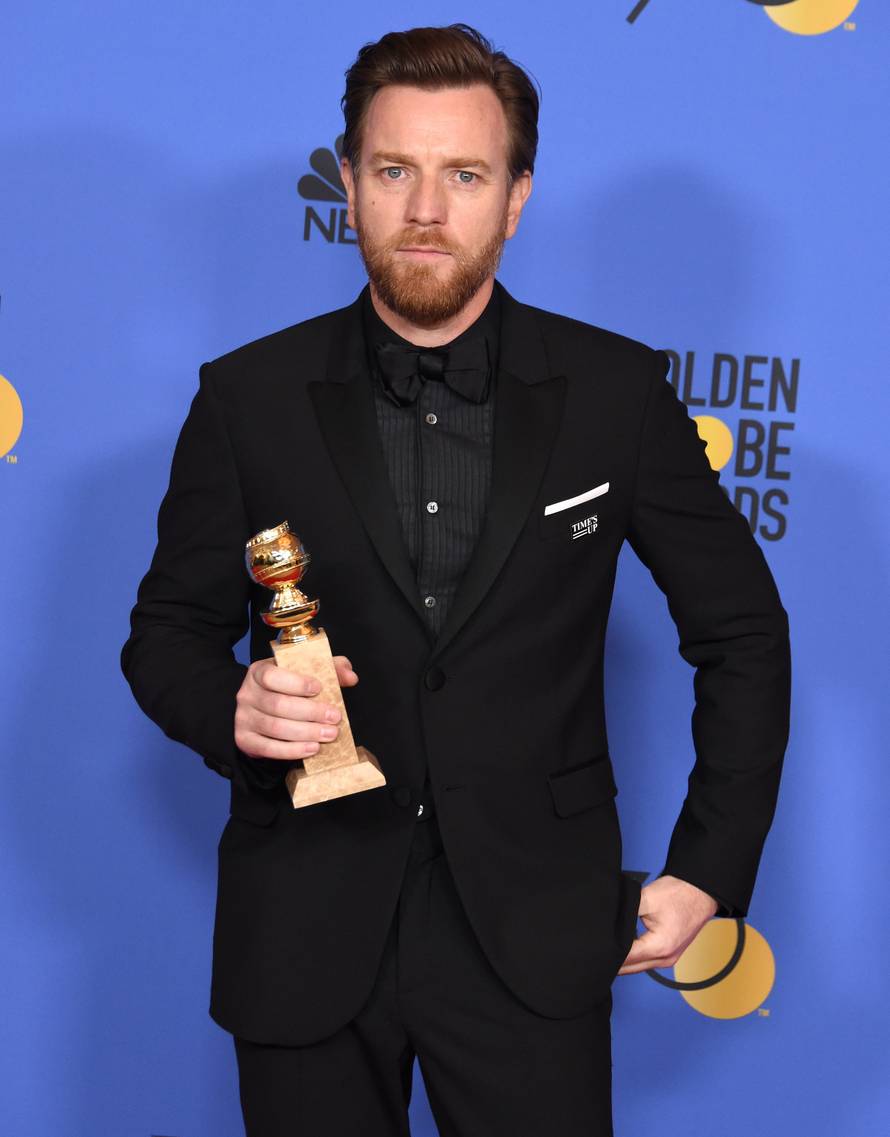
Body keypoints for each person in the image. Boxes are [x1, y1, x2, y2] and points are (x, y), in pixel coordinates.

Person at [121, 22, 791, 1137]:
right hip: (304, 930)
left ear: (516, 195)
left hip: (535, 932)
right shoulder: (247, 397)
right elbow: (165, 637)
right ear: (346, 182)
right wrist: (230, 707)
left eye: (463, 175)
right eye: (393, 171)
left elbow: (742, 634)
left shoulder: (615, 395)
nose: (425, 210)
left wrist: (707, 868)